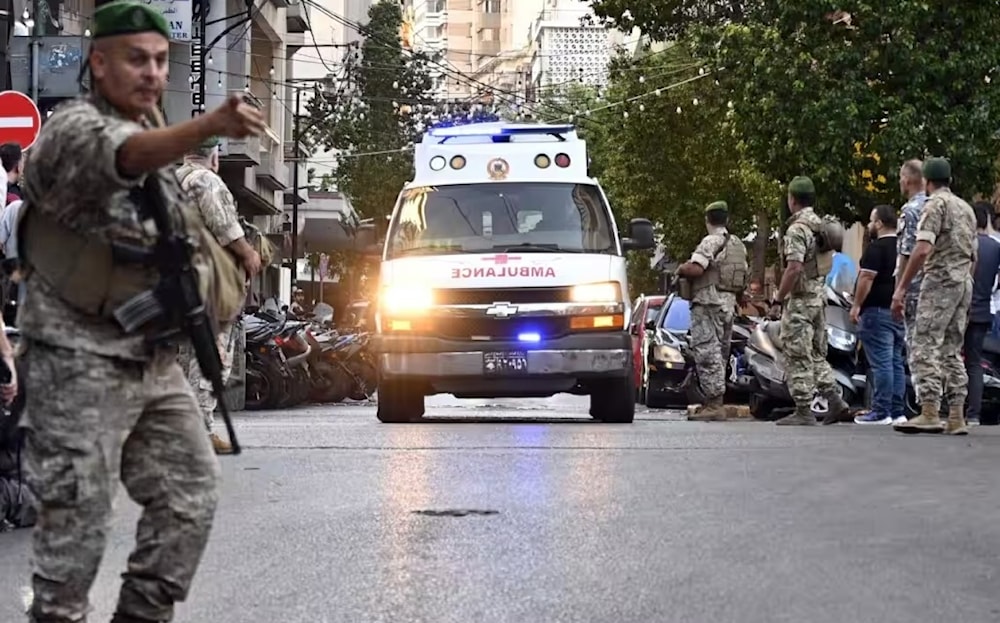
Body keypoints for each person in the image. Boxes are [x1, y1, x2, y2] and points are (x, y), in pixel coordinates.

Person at [15, 2, 264, 622]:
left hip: (152, 359)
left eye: (160, 60)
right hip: (78, 360)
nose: (153, 72)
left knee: (191, 495)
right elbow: (126, 154)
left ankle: (142, 613)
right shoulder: (72, 131)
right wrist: (208, 124)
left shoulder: (161, 151)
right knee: (77, 527)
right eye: (136, 59)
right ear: (98, 63)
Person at [176, 137, 260, 455]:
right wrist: (248, 254)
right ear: (214, 157)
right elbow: (224, 226)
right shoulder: (206, 181)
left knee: (182, 359)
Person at [892, 158, 976, 435]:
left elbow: (922, 248)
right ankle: (956, 415)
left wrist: (902, 287)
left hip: (939, 282)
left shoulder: (935, 205)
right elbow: (974, 254)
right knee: (952, 348)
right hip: (963, 282)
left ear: (927, 182)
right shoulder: (966, 209)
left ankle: (929, 410)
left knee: (924, 343)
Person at [770, 176, 851, 425]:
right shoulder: (819, 224)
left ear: (792, 199)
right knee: (816, 354)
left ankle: (804, 410)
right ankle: (836, 401)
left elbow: (793, 268)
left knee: (797, 354)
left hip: (801, 301)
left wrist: (778, 297)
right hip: (819, 297)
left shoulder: (797, 229)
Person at [675, 201, 748, 421]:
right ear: (727, 219)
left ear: (708, 220)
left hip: (709, 303)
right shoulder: (737, 244)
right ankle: (716, 401)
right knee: (721, 353)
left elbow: (697, 268)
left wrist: (681, 268)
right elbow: (742, 275)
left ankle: (714, 404)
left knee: (707, 351)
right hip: (727, 303)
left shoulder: (710, 241)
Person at [850, 205, 906, 425]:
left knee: (882, 363)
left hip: (876, 312)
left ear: (880, 223)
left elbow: (866, 278)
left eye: (871, 221)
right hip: (897, 312)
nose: (869, 225)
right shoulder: (903, 248)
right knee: (895, 362)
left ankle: (881, 411)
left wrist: (856, 305)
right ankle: (897, 410)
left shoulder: (876, 248)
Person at [963, 202, 1000, 426]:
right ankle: (973, 414)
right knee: (974, 363)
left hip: (960, 310)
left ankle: (952, 407)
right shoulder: (995, 247)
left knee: (951, 360)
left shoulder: (964, 244)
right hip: (983, 310)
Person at [895, 159, 927, 363]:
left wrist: (899, 290)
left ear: (906, 181)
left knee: (917, 353)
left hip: (914, 290)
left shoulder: (911, 210)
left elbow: (906, 254)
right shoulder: (939, 206)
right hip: (939, 288)